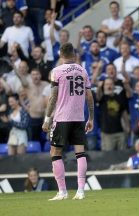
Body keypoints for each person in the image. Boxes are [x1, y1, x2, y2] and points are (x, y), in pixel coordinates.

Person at [42, 42, 94, 200]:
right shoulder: (83, 70)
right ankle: (81, 191)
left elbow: (53, 97)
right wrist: (91, 117)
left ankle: (62, 191)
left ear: (60, 55)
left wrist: (47, 118)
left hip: (62, 118)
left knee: (55, 152)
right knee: (80, 153)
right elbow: (89, 97)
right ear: (74, 54)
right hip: (79, 118)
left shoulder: (56, 71)